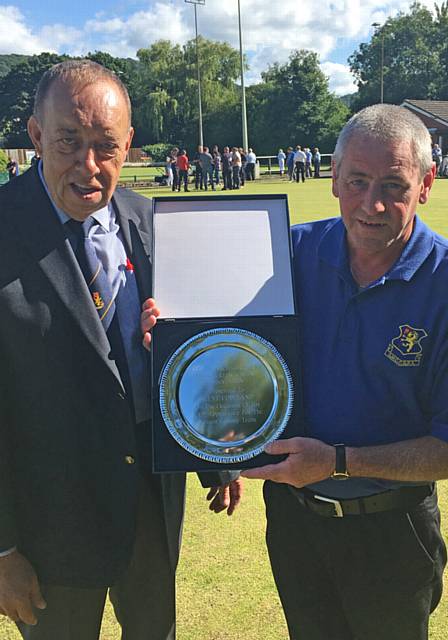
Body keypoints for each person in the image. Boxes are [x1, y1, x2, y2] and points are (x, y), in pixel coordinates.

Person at [0, 59, 242, 640]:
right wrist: (2, 549)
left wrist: (213, 452)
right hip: (47, 528)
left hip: (151, 511)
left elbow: (190, 350)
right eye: (69, 141)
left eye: (106, 146)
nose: (89, 166)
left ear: (129, 143)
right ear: (35, 135)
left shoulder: (153, 219)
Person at [243, 104, 448, 640]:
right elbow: (224, 346)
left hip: (393, 531)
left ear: (426, 184)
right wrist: (172, 325)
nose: (371, 204)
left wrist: (337, 463)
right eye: (356, 181)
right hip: (294, 524)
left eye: (393, 185)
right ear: (333, 177)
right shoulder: (287, 253)